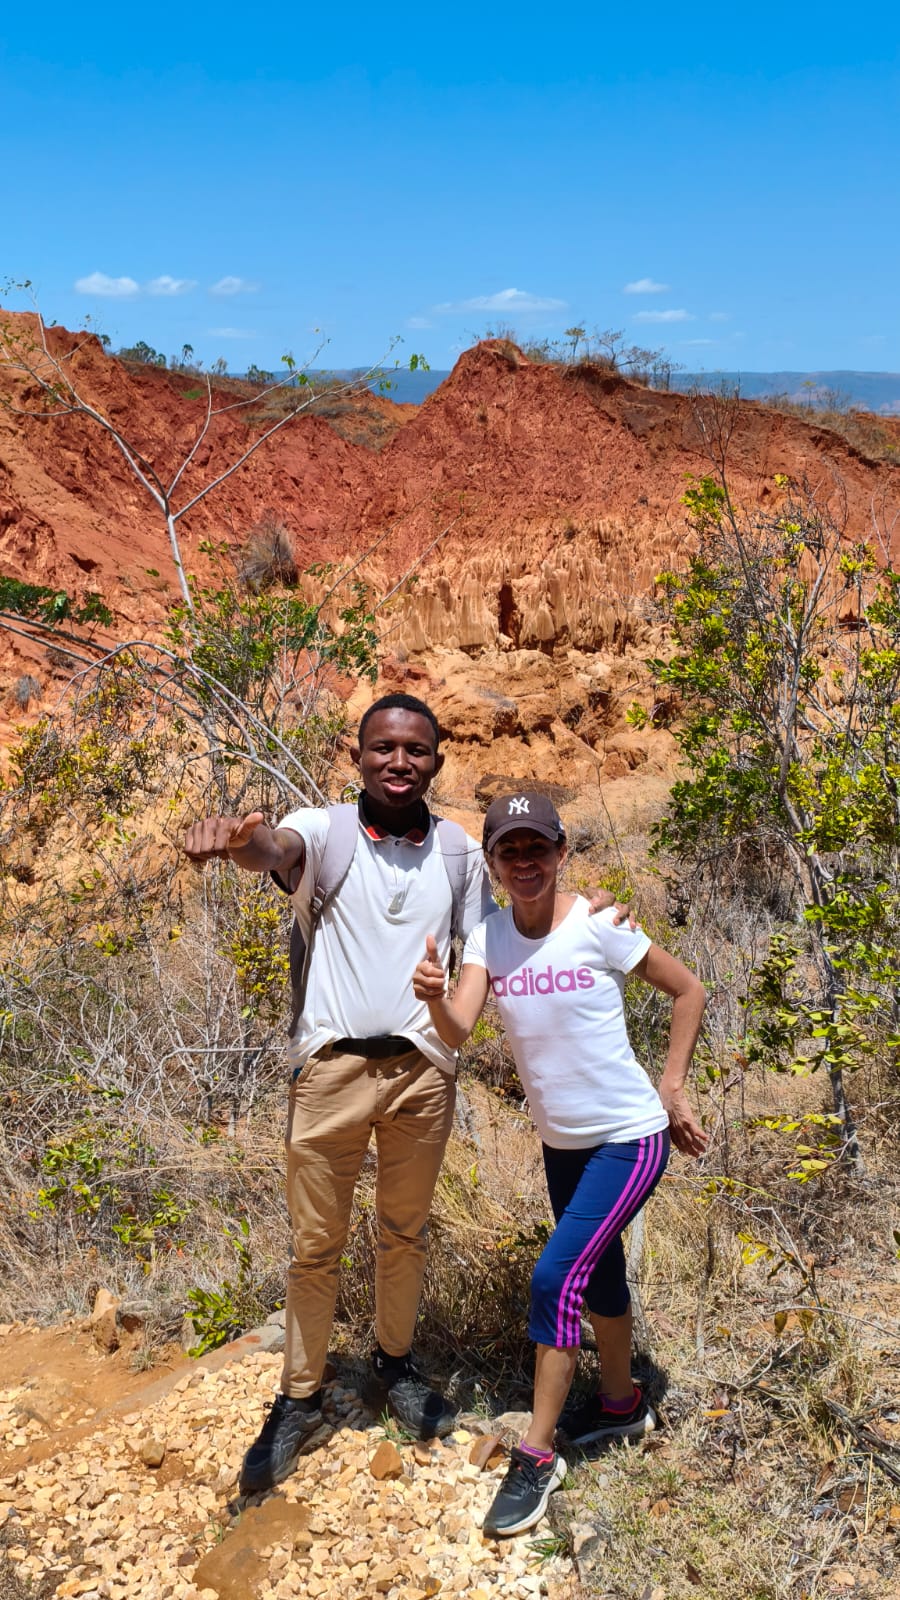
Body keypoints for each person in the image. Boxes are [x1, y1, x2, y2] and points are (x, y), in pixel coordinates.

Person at [184, 697, 627, 1498]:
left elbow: (501, 936)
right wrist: (241, 841)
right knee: (315, 1245)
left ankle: (396, 1366)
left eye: (416, 750)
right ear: (357, 756)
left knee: (404, 1231)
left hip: (423, 1072)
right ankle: (299, 1396)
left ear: (436, 762)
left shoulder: (456, 852)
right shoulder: (323, 831)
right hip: (332, 1070)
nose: (399, 762)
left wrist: (583, 915)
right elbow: (273, 848)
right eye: (383, 748)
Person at [412, 790, 707, 1539]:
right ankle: (621, 1404)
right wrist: (435, 997)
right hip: (562, 1146)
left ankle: (537, 1457)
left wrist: (672, 1086)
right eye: (509, 850)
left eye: (537, 847)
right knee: (596, 1273)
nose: (525, 862)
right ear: (493, 863)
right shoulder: (488, 937)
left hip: (628, 1138)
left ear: (561, 852)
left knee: (555, 1278)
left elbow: (688, 990)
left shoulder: (598, 923)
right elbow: (458, 1028)